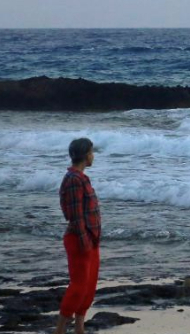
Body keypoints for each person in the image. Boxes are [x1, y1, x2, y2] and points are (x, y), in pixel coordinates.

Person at [55, 138, 101, 334]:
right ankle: (60, 329)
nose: (93, 155)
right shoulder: (74, 179)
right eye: (91, 152)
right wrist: (84, 241)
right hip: (79, 239)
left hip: (90, 238)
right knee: (79, 286)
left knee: (89, 285)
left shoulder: (81, 177)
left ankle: (79, 327)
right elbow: (75, 215)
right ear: (85, 155)